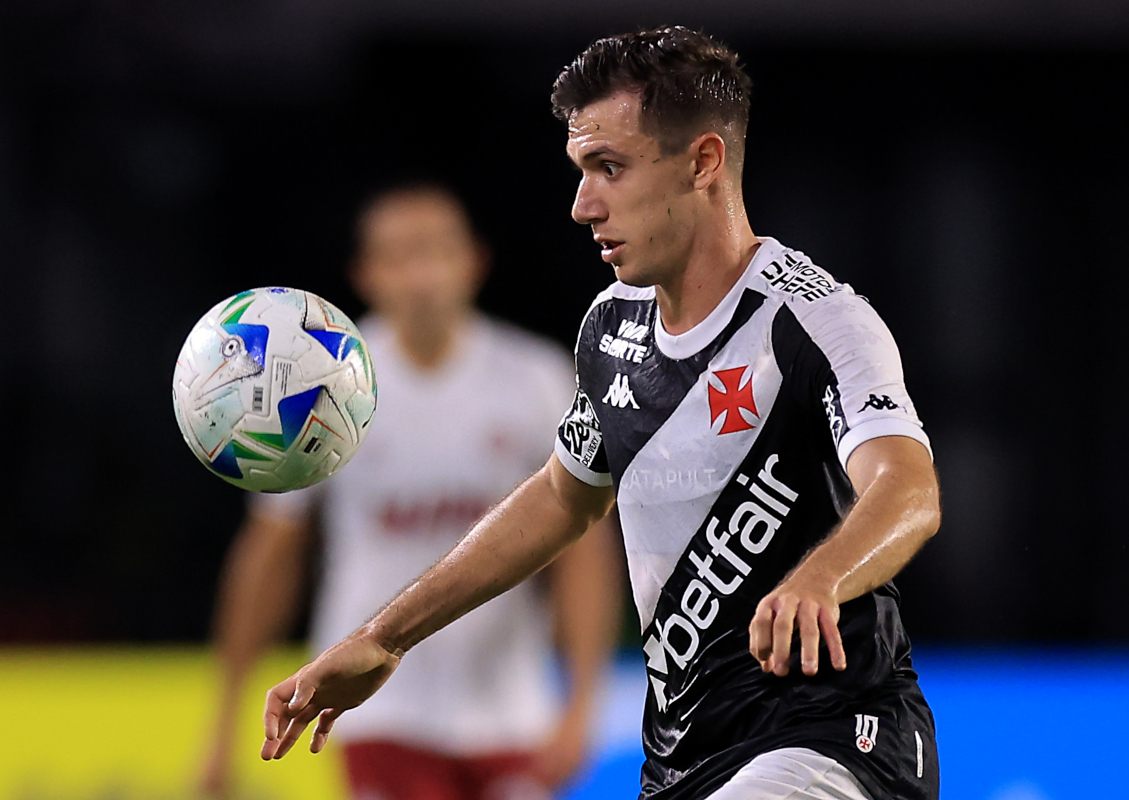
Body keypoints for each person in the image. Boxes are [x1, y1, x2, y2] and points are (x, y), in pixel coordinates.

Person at [259, 27, 942, 800]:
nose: (583, 206)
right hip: (685, 758)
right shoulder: (611, 328)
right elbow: (562, 497)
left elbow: (908, 489)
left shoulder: (816, 322)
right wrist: (383, 639)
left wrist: (819, 577)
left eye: (609, 169)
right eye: (582, 171)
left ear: (703, 162)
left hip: (832, 739)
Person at [202, 183, 622, 800]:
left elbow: (582, 549)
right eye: (398, 255)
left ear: (473, 262)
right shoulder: (320, 388)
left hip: (511, 708)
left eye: (434, 250)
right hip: (376, 712)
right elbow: (271, 555)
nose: (420, 273)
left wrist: (584, 699)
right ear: (366, 274)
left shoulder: (535, 379)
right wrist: (222, 725)